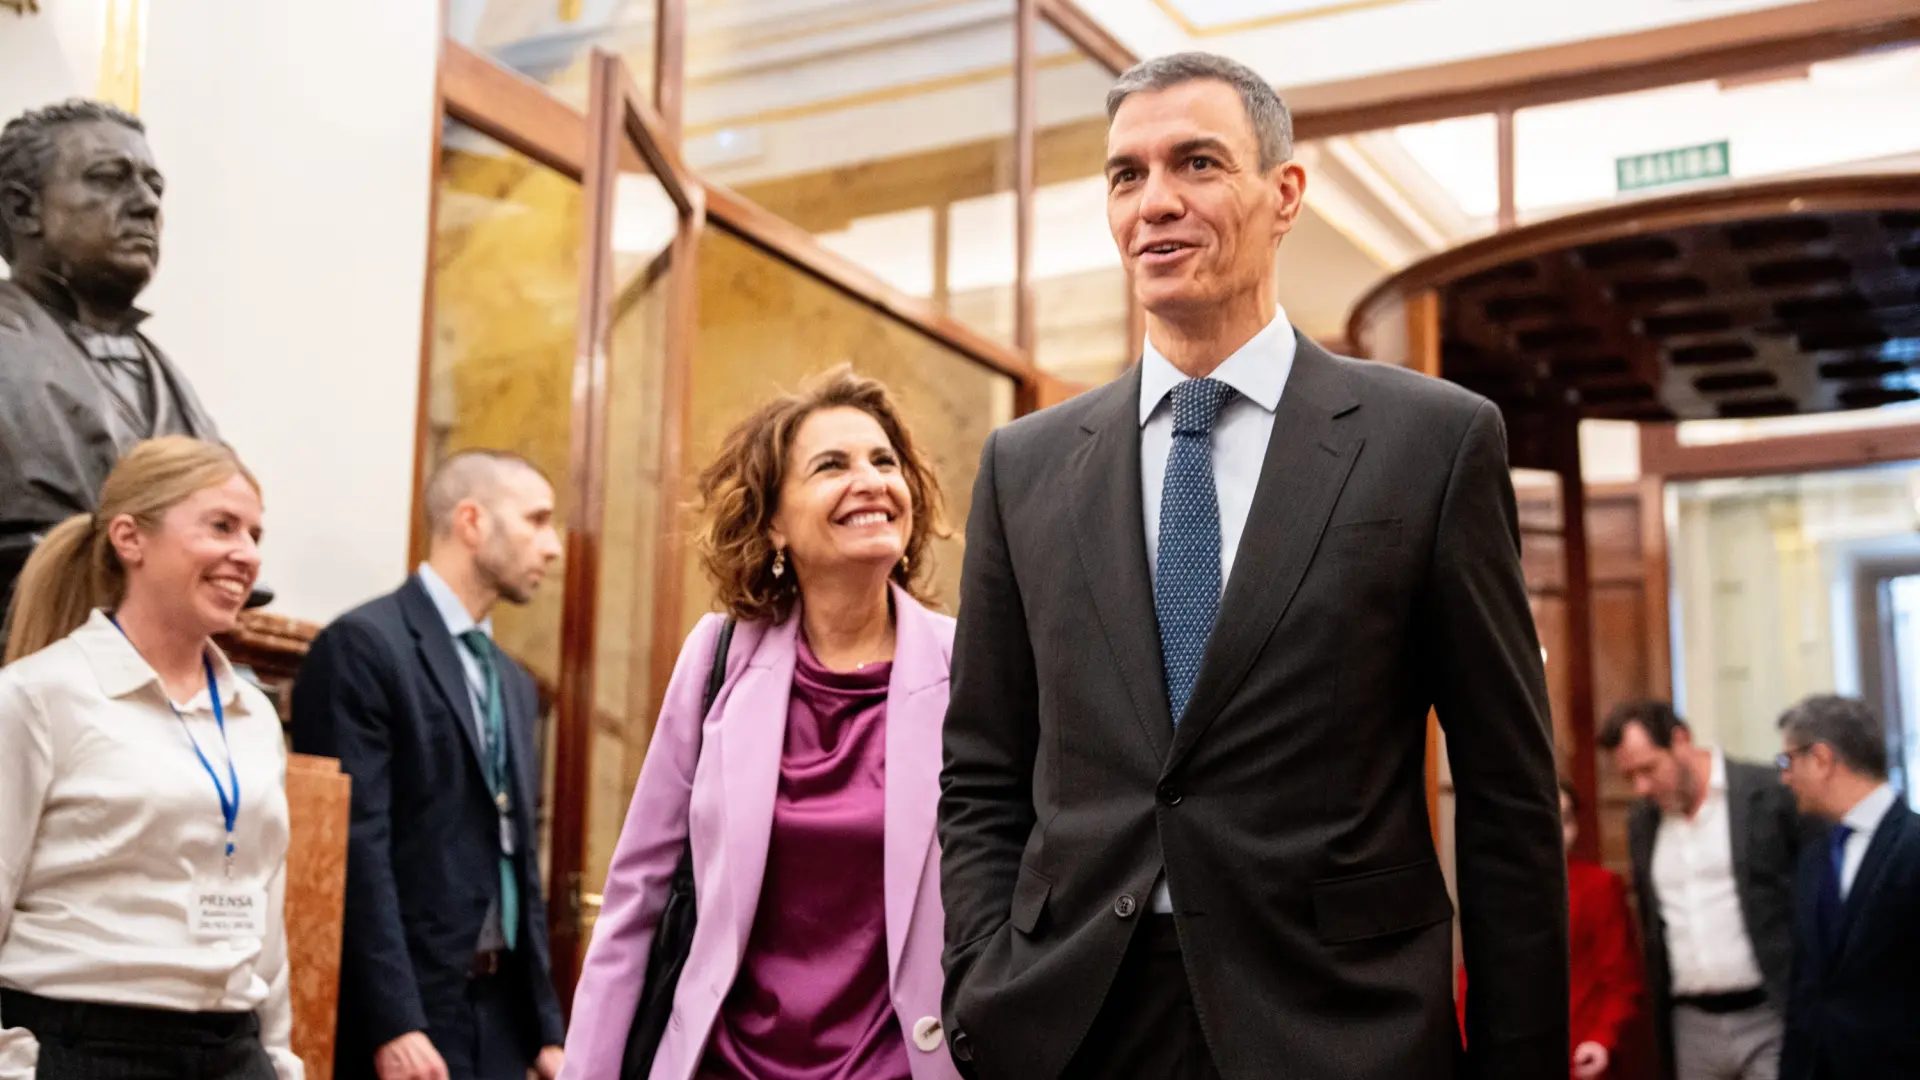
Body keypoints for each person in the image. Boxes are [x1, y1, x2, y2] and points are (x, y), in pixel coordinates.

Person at [936, 51, 1566, 1080]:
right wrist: (981, 975)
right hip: (1074, 1024)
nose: (1156, 204)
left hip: (1339, 1027)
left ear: (1285, 195)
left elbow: (1507, 793)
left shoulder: (1431, 443)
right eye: (1126, 175)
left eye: (1196, 163)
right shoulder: (1025, 466)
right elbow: (984, 770)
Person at [561, 368, 963, 1080]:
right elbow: (637, 899)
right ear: (775, 520)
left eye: (884, 461)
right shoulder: (716, 657)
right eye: (831, 465)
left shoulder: (971, 667)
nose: (869, 480)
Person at [0, 436, 299, 1079]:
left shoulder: (253, 718)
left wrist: (278, 1061)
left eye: (253, 533)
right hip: (90, 1048)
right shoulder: (36, 696)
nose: (245, 555)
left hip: (233, 1051)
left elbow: (267, 915)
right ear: (130, 539)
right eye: (221, 526)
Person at [290, 450, 566, 1080]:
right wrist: (394, 1021)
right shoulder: (364, 647)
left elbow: (520, 859)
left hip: (500, 1022)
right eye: (537, 520)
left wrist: (544, 1028)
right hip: (409, 1020)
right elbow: (355, 848)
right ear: (471, 522)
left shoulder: (515, 683)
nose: (552, 547)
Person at [0, 100, 221, 620]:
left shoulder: (166, 379)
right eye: (109, 179)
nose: (146, 204)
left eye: (154, 187)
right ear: (21, 209)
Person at [1600, 700, 1804, 1080]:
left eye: (1648, 769)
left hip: (1768, 1014)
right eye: (1629, 777)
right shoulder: (1643, 822)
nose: (1641, 787)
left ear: (1681, 740)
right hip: (1691, 1024)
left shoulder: (1766, 794)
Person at [1773, 695, 1920, 1079]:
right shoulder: (1814, 856)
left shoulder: (1914, 844)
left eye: (1788, 761)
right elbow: (1806, 985)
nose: (1784, 778)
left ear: (1821, 759)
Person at [1458, 779, 1646, 1078]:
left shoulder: (1599, 887)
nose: (1557, 830)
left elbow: (1622, 981)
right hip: (1507, 1059)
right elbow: (1473, 981)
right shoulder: (1495, 891)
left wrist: (1601, 1039)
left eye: (1567, 819)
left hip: (1578, 1056)